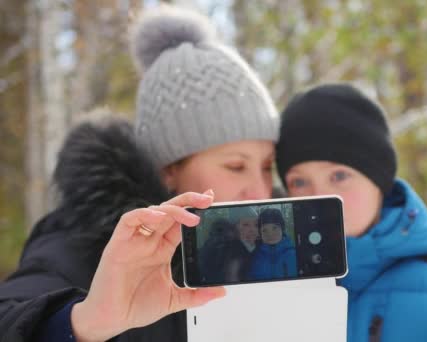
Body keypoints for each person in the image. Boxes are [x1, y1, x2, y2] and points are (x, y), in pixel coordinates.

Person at [0, 4, 279, 342]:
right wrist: (82, 322)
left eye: (267, 166)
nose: (260, 191)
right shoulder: (84, 243)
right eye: (235, 166)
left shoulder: (272, 247)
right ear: (168, 170)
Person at [276, 83, 427, 341]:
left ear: (379, 182)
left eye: (339, 176)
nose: (318, 198)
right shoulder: (267, 289)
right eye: (299, 182)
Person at [248, 208, 297, 280]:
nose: (270, 234)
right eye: (264, 230)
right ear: (260, 233)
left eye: (275, 228)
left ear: (282, 229)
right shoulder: (254, 257)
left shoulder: (294, 254)